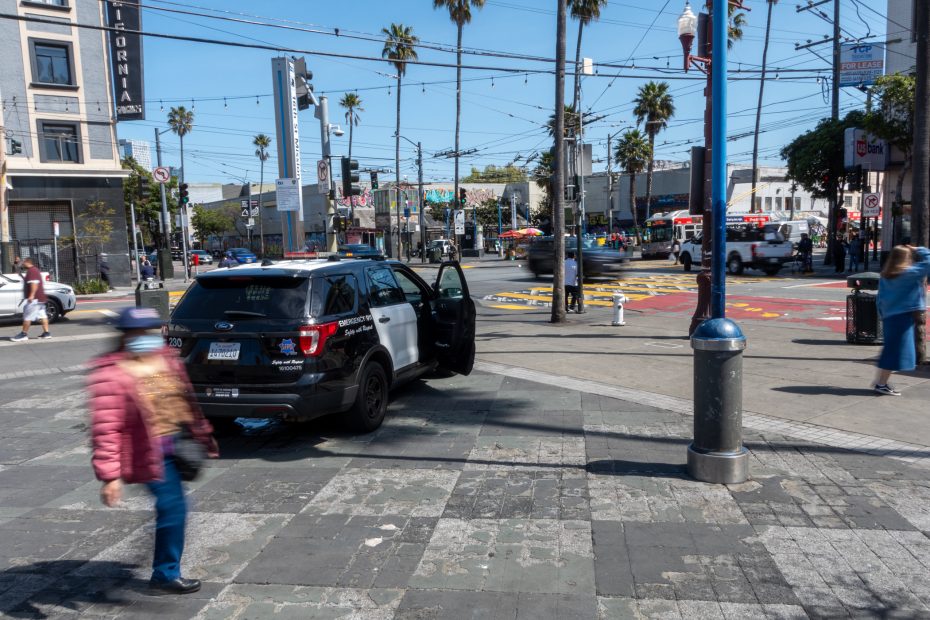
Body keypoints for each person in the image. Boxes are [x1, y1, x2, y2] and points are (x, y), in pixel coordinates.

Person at [88, 307, 218, 593]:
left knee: (174, 508)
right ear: (125, 336)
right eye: (137, 333)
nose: (145, 337)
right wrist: (110, 476)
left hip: (176, 444)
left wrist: (202, 433)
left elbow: (184, 400)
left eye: (149, 331)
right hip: (147, 452)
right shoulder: (111, 374)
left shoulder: (164, 359)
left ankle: (165, 567)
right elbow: (105, 427)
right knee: (174, 508)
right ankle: (165, 573)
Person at [873, 245, 930, 395]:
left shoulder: (886, 275)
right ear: (906, 258)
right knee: (894, 351)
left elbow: (880, 298)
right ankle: (881, 383)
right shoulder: (909, 273)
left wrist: (882, 313)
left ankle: (881, 381)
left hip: (889, 316)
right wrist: (920, 249)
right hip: (903, 316)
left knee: (893, 349)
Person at [10, 257, 50, 342]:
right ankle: (46, 333)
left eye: (23, 262)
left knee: (27, 316)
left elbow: (34, 283)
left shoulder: (32, 271)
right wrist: (21, 275)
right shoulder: (34, 270)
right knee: (42, 315)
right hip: (40, 298)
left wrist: (31, 295)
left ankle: (23, 334)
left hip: (34, 299)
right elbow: (31, 282)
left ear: (27, 262)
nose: (22, 263)